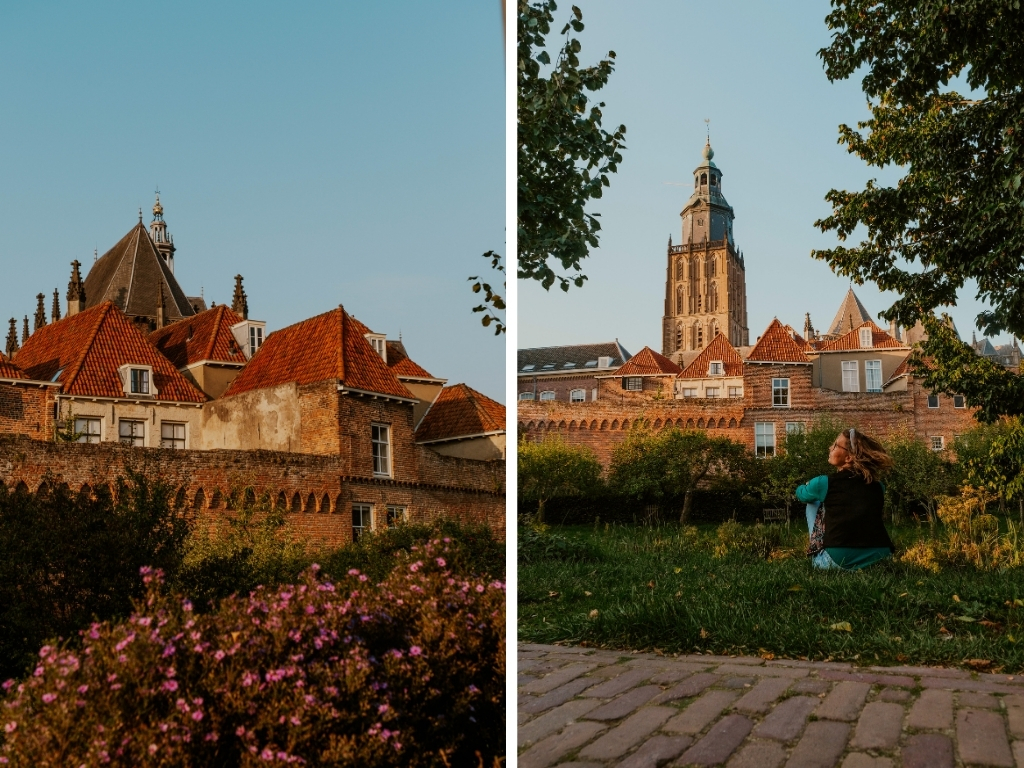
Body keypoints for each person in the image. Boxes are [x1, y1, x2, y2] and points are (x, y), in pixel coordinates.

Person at [795, 427, 895, 570]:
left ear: (848, 458)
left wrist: (807, 485)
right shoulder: (879, 486)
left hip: (839, 561)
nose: (830, 447)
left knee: (813, 502)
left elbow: (800, 494)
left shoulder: (824, 483)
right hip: (881, 556)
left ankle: (818, 550)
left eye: (835, 445)